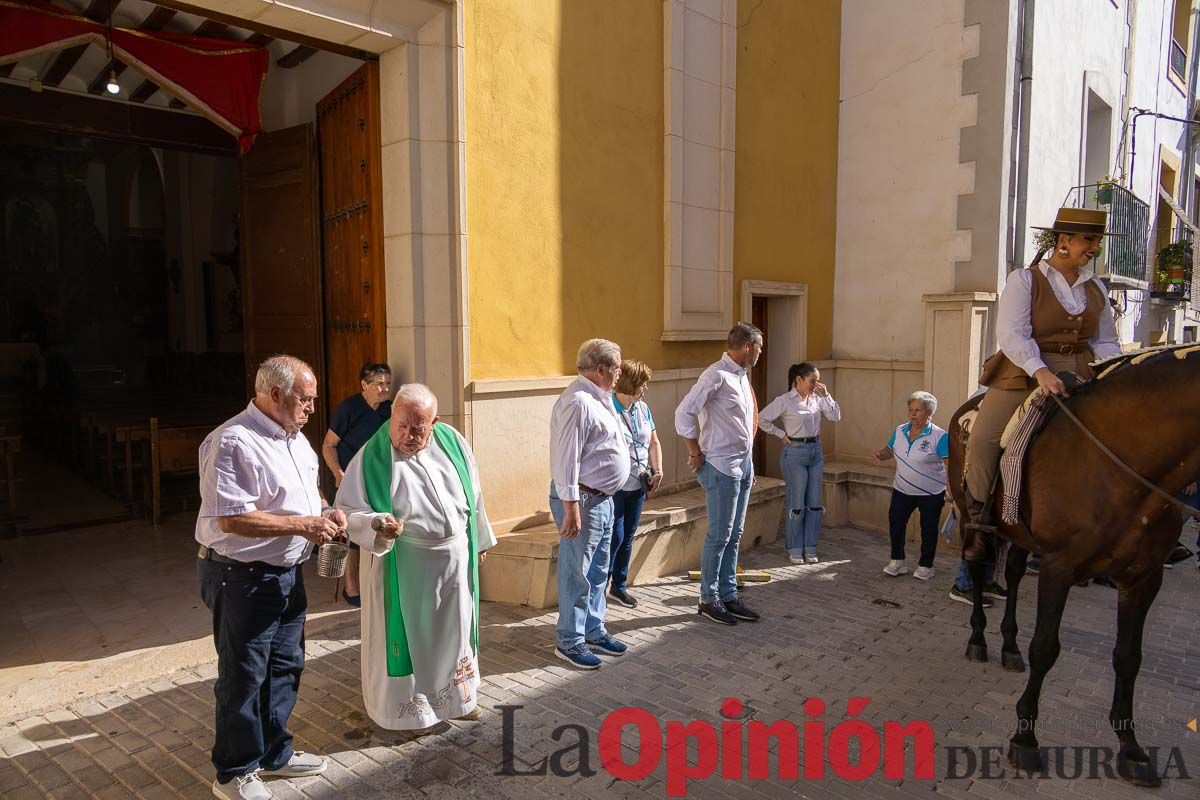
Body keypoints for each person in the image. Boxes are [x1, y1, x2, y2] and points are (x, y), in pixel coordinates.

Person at [196, 355, 342, 800]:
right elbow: (231, 519)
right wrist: (304, 526)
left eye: (314, 399)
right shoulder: (233, 441)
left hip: (285, 572)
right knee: (243, 675)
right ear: (274, 394)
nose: (312, 407)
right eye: (306, 398)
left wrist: (323, 511)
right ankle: (233, 772)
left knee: (284, 666)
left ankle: (273, 754)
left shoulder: (296, 440)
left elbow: (306, 496)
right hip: (240, 576)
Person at [334, 384, 496, 730]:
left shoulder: (453, 442)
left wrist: (479, 540)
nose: (407, 435)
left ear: (434, 423)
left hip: (455, 562)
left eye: (418, 428)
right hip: (406, 568)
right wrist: (378, 525)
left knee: (456, 634)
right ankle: (413, 714)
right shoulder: (370, 457)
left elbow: (475, 493)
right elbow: (347, 512)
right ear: (391, 418)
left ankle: (460, 699)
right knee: (414, 641)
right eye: (401, 426)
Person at [962, 207, 1121, 555]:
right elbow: (1013, 334)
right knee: (984, 439)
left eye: (1097, 241)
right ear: (1064, 240)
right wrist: (1041, 371)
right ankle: (979, 524)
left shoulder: (1095, 287)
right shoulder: (1025, 280)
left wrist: (1114, 371)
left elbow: (1105, 340)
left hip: (1081, 368)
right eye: (1089, 240)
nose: (1094, 248)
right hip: (1024, 368)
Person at [550, 339, 631, 669]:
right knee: (576, 574)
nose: (620, 373)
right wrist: (571, 507)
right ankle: (569, 641)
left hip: (603, 498)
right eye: (617, 367)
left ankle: (593, 629)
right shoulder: (578, 401)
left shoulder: (601, 396)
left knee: (598, 572)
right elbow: (565, 458)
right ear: (601, 369)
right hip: (582, 499)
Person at [676, 322, 763, 626]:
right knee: (719, 535)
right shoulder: (715, 375)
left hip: (742, 465)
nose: (761, 353)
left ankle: (728, 594)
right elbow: (683, 413)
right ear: (748, 346)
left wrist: (750, 466)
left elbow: (744, 426)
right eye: (760, 347)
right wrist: (695, 451)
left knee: (735, 533)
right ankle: (707, 597)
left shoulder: (741, 377)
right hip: (721, 466)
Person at [321, 363, 393, 607]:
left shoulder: (389, 410)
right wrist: (338, 473)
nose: (385, 388)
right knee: (349, 532)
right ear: (364, 385)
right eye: (379, 384)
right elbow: (328, 445)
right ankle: (351, 587)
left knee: (372, 527)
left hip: (373, 479)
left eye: (388, 384)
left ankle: (372, 583)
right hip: (345, 479)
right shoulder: (349, 408)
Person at [759, 362, 841, 564]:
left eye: (818, 381)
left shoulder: (817, 399)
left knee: (814, 502)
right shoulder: (785, 400)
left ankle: (810, 547)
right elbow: (761, 419)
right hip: (795, 453)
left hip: (816, 452)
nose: (816, 384)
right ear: (798, 380)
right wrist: (780, 434)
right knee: (797, 502)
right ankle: (794, 548)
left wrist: (826, 396)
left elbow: (836, 416)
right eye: (813, 380)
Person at [872, 391, 948, 580]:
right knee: (896, 524)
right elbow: (889, 450)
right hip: (902, 490)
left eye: (918, 410)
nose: (913, 414)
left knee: (928, 529)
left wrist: (952, 490)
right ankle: (897, 561)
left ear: (929, 413)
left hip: (931, 493)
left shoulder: (940, 436)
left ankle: (926, 566)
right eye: (911, 410)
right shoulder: (899, 430)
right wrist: (880, 455)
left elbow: (950, 465)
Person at [607, 359, 663, 609]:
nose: (646, 389)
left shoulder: (643, 408)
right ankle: (601, 585)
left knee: (628, 536)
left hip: (638, 483)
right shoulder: (608, 407)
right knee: (614, 537)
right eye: (643, 384)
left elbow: (654, 442)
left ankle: (619, 586)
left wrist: (658, 469)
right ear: (630, 383)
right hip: (615, 486)